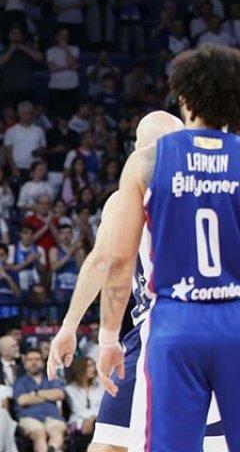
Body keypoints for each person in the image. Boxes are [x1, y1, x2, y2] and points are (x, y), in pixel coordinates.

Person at [47, 109, 229, 450]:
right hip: (222, 332)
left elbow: (106, 261)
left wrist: (78, 329)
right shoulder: (222, 188)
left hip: (161, 331)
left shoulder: (128, 197)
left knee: (110, 445)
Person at [97, 46, 240, 451]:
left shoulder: (147, 162)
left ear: (185, 99)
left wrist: (108, 337)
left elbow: (119, 260)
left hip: (175, 320)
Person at [13, 348, 67, 452]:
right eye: (30, 360)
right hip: (29, 417)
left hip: (52, 416)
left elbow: (60, 394)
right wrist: (48, 396)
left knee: (56, 432)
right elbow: (23, 400)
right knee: (39, 434)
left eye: (37, 359)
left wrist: (36, 393)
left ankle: (52, 449)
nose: (33, 362)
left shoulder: (51, 379)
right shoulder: (20, 382)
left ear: (43, 362)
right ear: (25, 363)